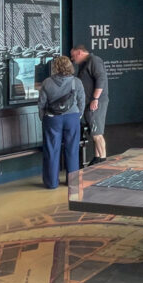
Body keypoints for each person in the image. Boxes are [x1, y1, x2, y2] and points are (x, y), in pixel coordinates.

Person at [38, 55, 85, 189]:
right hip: (72, 118)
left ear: (55, 67)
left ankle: (51, 183)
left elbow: (41, 103)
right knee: (72, 149)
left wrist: (44, 117)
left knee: (52, 150)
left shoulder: (47, 82)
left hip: (52, 119)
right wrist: (78, 115)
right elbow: (82, 101)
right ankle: (73, 182)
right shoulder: (77, 82)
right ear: (69, 66)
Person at [70, 44, 109, 164]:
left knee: (97, 133)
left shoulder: (94, 60)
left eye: (73, 56)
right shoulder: (84, 64)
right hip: (89, 103)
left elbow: (101, 79)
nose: (72, 59)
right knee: (94, 132)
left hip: (95, 103)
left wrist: (95, 98)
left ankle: (103, 160)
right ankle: (97, 158)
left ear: (80, 52)